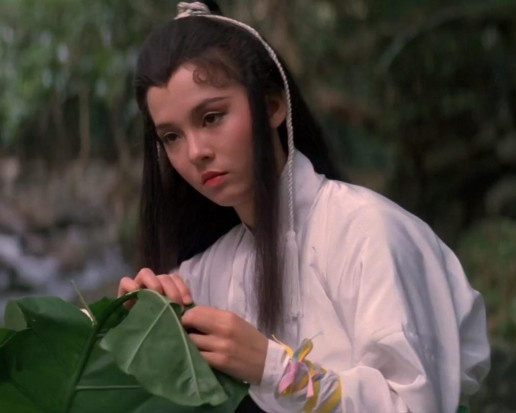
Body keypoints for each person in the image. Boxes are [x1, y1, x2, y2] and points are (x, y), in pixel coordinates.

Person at [118, 1, 491, 412]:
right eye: (171, 137)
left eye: (211, 117)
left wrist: (273, 369)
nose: (195, 152)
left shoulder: (367, 231)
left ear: (273, 106)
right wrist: (135, 315)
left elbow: (415, 405)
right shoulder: (210, 271)